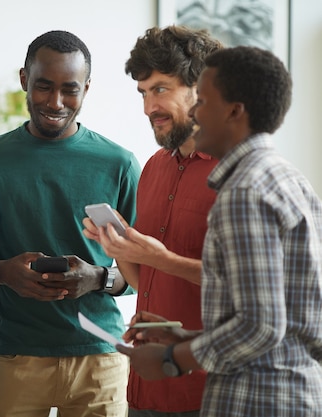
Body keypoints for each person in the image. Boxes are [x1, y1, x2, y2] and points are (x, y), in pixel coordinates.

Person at [117, 46, 322, 417]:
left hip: (255, 400)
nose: (195, 112)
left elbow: (261, 326)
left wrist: (172, 358)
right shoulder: (282, 177)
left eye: (203, 101)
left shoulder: (243, 190)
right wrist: (187, 339)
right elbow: (285, 317)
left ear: (234, 111)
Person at [0, 30, 141, 416]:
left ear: (86, 88)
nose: (55, 102)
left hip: (101, 358)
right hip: (16, 358)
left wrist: (96, 278)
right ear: (24, 79)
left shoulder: (119, 164)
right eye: (43, 86)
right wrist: (6, 272)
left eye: (69, 89)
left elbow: (141, 273)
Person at [82, 26, 222, 417]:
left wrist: (161, 259)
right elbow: (149, 283)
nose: (148, 108)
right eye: (143, 93)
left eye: (161, 89)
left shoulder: (237, 176)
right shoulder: (154, 169)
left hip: (206, 393)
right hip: (145, 390)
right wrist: (118, 245)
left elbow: (250, 288)